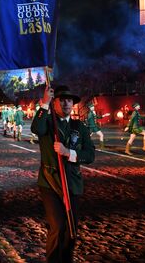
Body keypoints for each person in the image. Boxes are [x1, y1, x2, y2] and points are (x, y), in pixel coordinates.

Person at [31, 85, 95, 262]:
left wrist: (69, 153)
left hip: (72, 183)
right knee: (58, 227)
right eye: (62, 100)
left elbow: (90, 154)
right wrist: (45, 102)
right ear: (55, 103)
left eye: (70, 100)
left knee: (71, 230)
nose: (67, 103)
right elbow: (36, 128)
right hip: (50, 182)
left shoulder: (79, 126)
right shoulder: (48, 122)